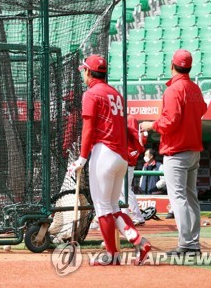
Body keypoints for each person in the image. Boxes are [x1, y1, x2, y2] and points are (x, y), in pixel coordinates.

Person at [67, 54, 151, 265]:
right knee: (113, 207)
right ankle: (139, 242)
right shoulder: (116, 94)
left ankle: (112, 255)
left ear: (88, 71)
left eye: (84, 71)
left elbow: (87, 129)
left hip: (103, 154)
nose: (83, 75)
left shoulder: (91, 94)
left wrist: (82, 158)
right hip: (120, 157)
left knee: (103, 208)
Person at [141, 49, 207, 256]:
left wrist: (151, 125)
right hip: (193, 151)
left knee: (178, 198)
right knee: (190, 197)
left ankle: (187, 244)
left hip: (177, 152)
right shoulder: (195, 88)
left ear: (172, 65)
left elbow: (169, 122)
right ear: (189, 67)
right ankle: (193, 243)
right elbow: (203, 110)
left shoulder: (173, 90)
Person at [120, 115, 146, 226]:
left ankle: (137, 216)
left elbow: (138, 141)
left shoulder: (130, 118)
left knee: (125, 190)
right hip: (122, 158)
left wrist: (132, 154)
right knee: (121, 191)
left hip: (128, 160)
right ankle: (125, 215)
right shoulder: (121, 117)